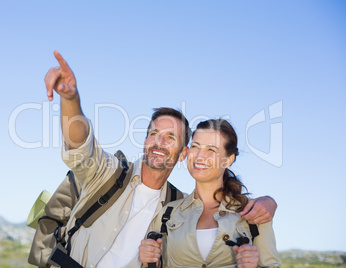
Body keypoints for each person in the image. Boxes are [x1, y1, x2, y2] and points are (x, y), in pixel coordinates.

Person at [44, 50, 278, 267]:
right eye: (154, 134)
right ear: (145, 141)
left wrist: (269, 201)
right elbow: (81, 145)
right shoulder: (108, 174)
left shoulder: (175, 207)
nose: (159, 142)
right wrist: (71, 99)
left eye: (170, 137)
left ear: (181, 154)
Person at [139, 119, 281, 268]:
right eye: (195, 146)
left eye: (211, 150)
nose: (200, 156)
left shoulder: (255, 212)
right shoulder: (166, 214)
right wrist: (149, 260)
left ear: (228, 160)